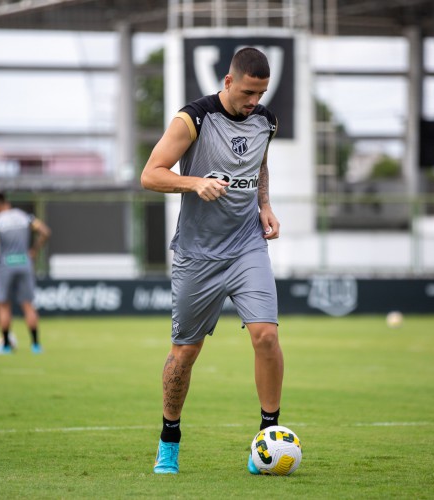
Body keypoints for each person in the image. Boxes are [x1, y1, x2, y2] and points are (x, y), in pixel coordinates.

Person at [140, 47, 284, 475]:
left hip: (246, 247)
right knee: (185, 353)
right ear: (227, 81)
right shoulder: (194, 119)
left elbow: (258, 166)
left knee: (266, 337)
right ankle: (169, 440)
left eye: (260, 93)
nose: (253, 101)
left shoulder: (267, 121)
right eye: (246, 92)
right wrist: (193, 183)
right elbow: (150, 173)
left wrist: (265, 206)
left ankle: (267, 440)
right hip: (197, 255)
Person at [0, 192, 50, 354]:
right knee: (28, 305)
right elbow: (45, 231)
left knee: (3, 306)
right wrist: (34, 250)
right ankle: (36, 345)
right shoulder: (24, 216)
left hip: (6, 264)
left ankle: (6, 346)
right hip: (24, 262)